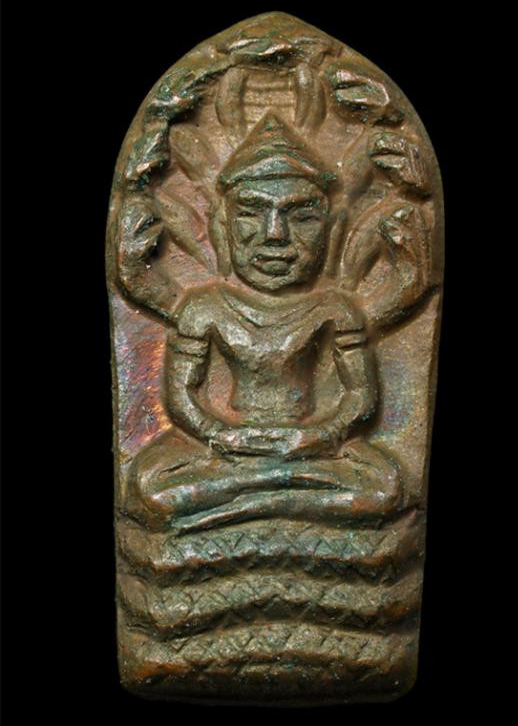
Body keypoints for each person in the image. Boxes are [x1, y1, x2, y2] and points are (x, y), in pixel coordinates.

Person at [123, 114, 402, 533]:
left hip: (312, 449)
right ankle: (284, 503)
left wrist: (315, 438)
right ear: (222, 226)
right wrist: (224, 437)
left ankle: (241, 510)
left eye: (301, 217)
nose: (275, 234)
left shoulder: (335, 309)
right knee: (149, 487)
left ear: (331, 229)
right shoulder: (204, 307)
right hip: (229, 450)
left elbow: (361, 399)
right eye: (251, 213)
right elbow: (181, 398)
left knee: (385, 487)